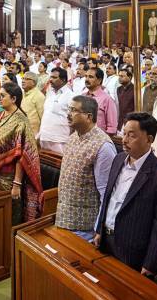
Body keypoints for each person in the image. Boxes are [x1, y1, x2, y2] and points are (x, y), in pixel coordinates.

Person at [93, 112, 157, 278]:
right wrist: (99, 229)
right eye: (124, 133)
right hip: (106, 238)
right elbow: (108, 197)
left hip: (132, 248)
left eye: (131, 135)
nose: (124, 140)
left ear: (149, 139)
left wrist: (151, 262)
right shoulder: (119, 159)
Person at [55, 95, 116, 241]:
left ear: (89, 116)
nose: (68, 114)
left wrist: (100, 229)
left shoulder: (103, 146)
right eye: (69, 109)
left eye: (74, 110)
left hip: (85, 228)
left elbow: (105, 192)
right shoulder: (73, 137)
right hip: (64, 218)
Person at [0, 82, 44, 225]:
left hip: (9, 177)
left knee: (8, 214)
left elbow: (22, 155)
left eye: (3, 96)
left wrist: (16, 184)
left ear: (13, 99)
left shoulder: (21, 121)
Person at [38, 67, 75, 153]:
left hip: (59, 139)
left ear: (63, 80)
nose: (50, 80)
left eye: (54, 77)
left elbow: (73, 119)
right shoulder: (50, 93)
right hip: (44, 137)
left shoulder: (71, 96)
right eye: (50, 77)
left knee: (59, 165)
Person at [84, 68, 118, 136]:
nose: (87, 79)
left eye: (90, 77)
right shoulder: (82, 97)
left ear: (99, 80)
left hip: (99, 141)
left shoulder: (107, 99)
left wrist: (102, 142)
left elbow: (112, 128)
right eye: (86, 76)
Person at [21, 72, 45, 137]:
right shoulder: (21, 94)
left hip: (33, 135)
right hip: (21, 132)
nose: (23, 81)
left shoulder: (39, 96)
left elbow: (43, 117)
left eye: (27, 79)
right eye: (23, 78)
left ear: (33, 82)